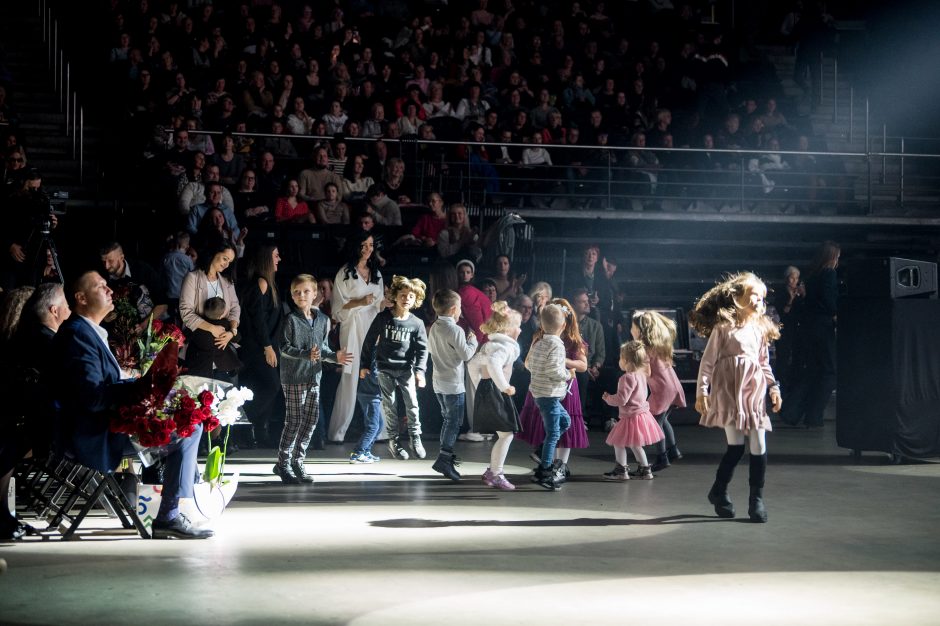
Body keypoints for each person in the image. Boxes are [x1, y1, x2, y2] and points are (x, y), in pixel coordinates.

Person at [52, 271, 212, 538]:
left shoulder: (86, 332)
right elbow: (92, 398)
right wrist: (139, 388)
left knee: (182, 418)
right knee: (188, 430)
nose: (109, 290)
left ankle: (172, 510)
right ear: (80, 298)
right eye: (100, 286)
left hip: (102, 425)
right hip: (93, 434)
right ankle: (169, 516)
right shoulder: (78, 335)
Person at [689, 272, 782, 523]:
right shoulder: (723, 329)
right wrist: (702, 391)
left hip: (753, 392)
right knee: (736, 446)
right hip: (729, 392)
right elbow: (707, 363)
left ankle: (756, 499)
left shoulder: (760, 330)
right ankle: (719, 490)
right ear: (738, 297)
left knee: (759, 444)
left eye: (763, 299)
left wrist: (774, 387)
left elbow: (764, 363)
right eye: (755, 296)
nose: (759, 302)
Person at [274, 274, 352, 484]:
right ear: (291, 295)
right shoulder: (291, 319)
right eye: (297, 292)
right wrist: (306, 354)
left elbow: (323, 348)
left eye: (306, 291)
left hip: (314, 376)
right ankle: (283, 463)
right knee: (294, 420)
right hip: (293, 377)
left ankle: (298, 461)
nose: (302, 295)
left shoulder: (323, 321)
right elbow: (284, 348)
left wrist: (335, 356)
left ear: (315, 293)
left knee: (310, 421)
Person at [360, 275, 428, 461]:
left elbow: (423, 350)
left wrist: (420, 372)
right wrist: (365, 364)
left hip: (406, 369)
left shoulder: (417, 323)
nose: (406, 299)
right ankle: (394, 440)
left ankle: (415, 437)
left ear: (416, 300)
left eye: (411, 296)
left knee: (412, 404)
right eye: (403, 295)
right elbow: (368, 341)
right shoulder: (383, 318)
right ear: (395, 296)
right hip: (384, 368)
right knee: (390, 405)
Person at [328, 233, 385, 442]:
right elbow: (337, 310)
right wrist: (360, 302)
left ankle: (381, 430)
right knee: (350, 376)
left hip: (373, 326)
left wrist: (385, 303)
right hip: (352, 326)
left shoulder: (376, 273)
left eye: (370, 245)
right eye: (363, 245)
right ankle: (338, 431)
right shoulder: (344, 273)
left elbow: (378, 304)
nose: (368, 249)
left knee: (375, 374)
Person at [782, 241, 839, 428]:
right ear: (832, 257)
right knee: (829, 372)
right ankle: (814, 415)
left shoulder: (812, 275)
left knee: (812, 371)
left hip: (809, 328)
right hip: (823, 328)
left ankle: (791, 411)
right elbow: (830, 302)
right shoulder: (829, 274)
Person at [469, 301, 523, 490]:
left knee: (505, 433)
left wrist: (479, 385)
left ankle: (493, 470)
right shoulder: (503, 348)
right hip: (496, 391)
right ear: (508, 329)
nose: (520, 330)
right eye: (518, 326)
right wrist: (504, 386)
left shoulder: (489, 345)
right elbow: (493, 364)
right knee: (507, 433)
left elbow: (472, 364)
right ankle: (495, 473)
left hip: (488, 390)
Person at [427, 288, 479, 481]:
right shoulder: (455, 329)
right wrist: (472, 342)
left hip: (439, 382)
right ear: (453, 309)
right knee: (453, 423)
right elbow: (466, 355)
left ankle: (445, 457)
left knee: (448, 420)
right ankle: (444, 457)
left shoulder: (434, 327)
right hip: (453, 384)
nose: (460, 313)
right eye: (459, 309)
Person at [239, 245, 284, 448]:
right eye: (275, 255)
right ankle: (245, 423)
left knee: (257, 387)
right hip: (258, 346)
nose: (279, 259)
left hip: (267, 345)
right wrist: (267, 346)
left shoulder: (269, 284)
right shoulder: (261, 282)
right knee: (271, 385)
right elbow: (258, 319)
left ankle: (257, 431)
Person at [630, 310, 686, 472]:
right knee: (663, 420)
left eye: (632, 327)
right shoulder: (658, 345)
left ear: (640, 330)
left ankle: (662, 456)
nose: (631, 330)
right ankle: (673, 450)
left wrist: (633, 371)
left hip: (662, 389)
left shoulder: (644, 348)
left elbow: (646, 372)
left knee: (655, 422)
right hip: (672, 386)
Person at [525, 303, 573, 490]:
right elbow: (554, 370)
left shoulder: (538, 343)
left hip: (541, 393)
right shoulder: (557, 346)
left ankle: (543, 450)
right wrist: (568, 374)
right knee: (553, 433)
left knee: (565, 422)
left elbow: (529, 365)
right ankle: (545, 471)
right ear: (563, 326)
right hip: (549, 395)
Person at [602, 340, 665, 480]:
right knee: (635, 444)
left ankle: (621, 471)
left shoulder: (626, 378)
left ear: (626, 360)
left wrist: (608, 398)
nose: (619, 361)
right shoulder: (641, 376)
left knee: (618, 443)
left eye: (620, 358)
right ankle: (645, 470)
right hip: (641, 416)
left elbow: (621, 399)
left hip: (630, 417)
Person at [179, 242, 240, 350]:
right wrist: (212, 328)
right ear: (214, 253)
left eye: (230, 262)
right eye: (225, 259)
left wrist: (232, 331)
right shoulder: (192, 278)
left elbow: (235, 307)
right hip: (199, 342)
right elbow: (186, 312)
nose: (227, 265)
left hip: (223, 343)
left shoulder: (227, 281)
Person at [183, 296, 242, 381]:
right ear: (222, 314)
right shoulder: (225, 324)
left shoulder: (197, 325)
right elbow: (238, 338)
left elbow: (184, 338)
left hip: (200, 366)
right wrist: (231, 333)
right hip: (222, 365)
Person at [773, 265, 806, 389]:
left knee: (798, 355)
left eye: (796, 278)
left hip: (797, 329)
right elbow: (784, 312)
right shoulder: (781, 292)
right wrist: (791, 300)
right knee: (783, 357)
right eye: (792, 278)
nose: (794, 281)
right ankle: (780, 383)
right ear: (787, 278)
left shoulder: (799, 293)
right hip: (785, 328)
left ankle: (795, 383)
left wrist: (803, 295)